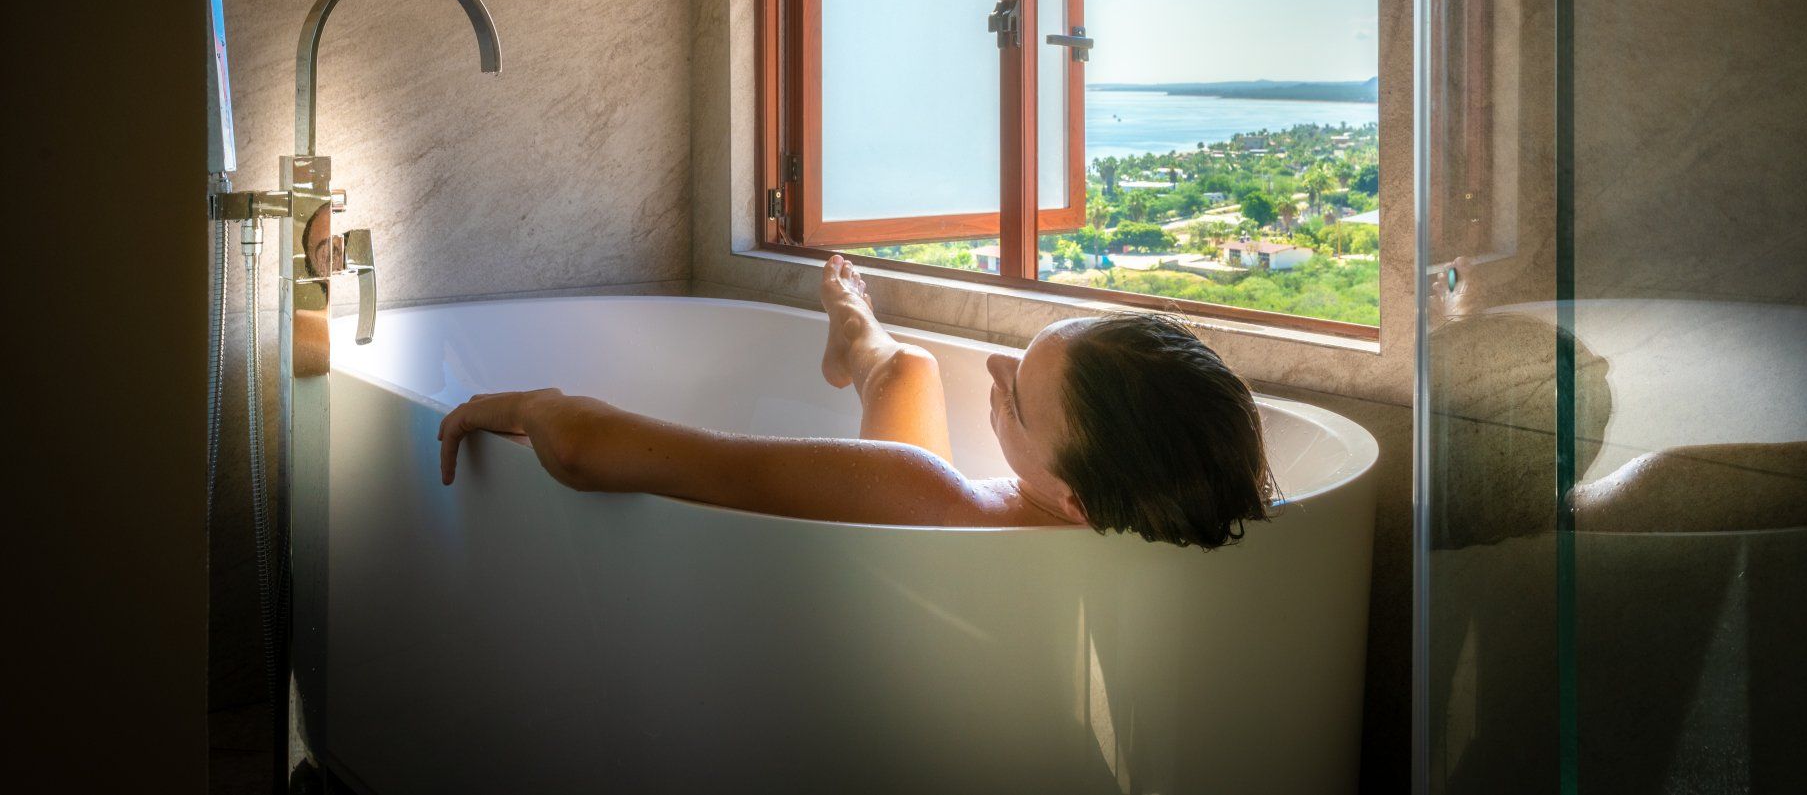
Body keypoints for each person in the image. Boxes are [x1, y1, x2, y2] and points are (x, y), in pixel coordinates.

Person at [438, 255, 1274, 548]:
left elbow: (582, 448)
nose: (992, 365)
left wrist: (527, 401)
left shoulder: (921, 492)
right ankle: (857, 332)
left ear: (1075, 499)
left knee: (909, 372)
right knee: (911, 372)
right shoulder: (1176, 491)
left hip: (899, 520)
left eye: (1014, 396)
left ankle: (862, 336)